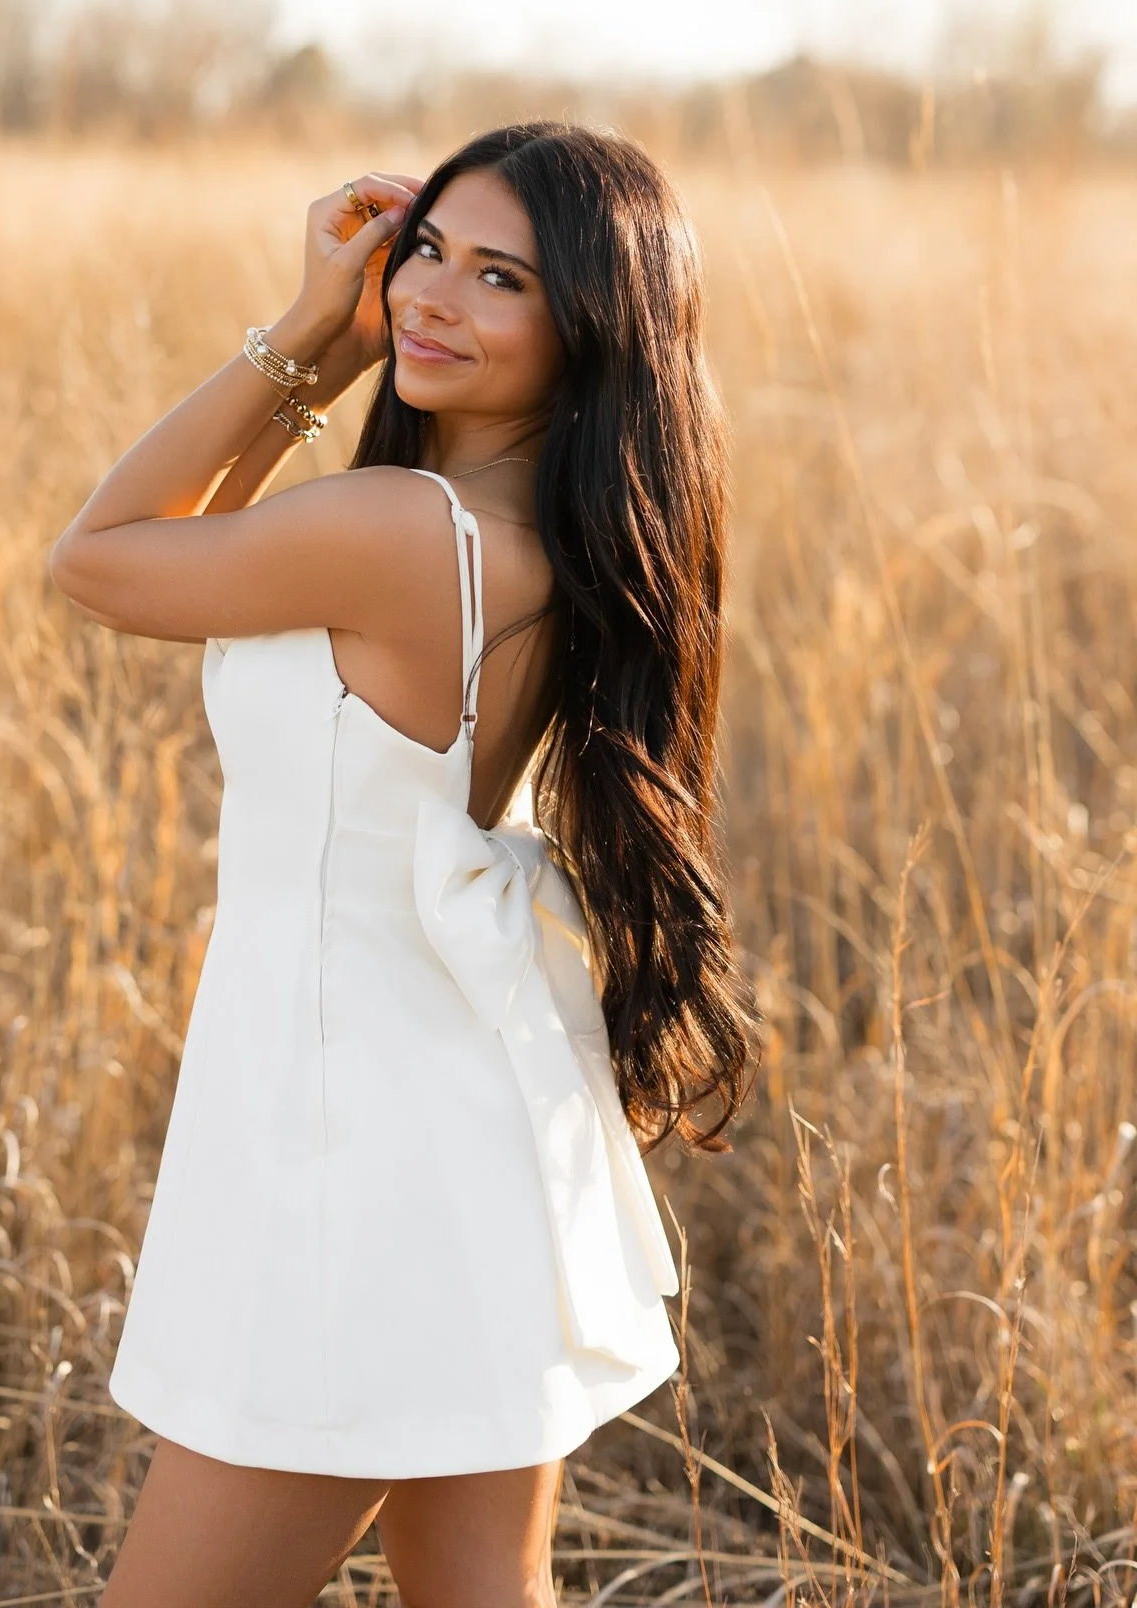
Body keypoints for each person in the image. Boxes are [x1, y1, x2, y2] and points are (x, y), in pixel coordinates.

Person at [49, 120, 757, 1607]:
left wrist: (310, 331)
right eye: (426, 248)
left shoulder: (393, 527)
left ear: (589, 330)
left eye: (499, 278)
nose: (432, 296)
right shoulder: (541, 533)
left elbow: (103, 554)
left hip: (353, 1167)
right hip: (457, 1131)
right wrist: (340, 353)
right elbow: (182, 547)